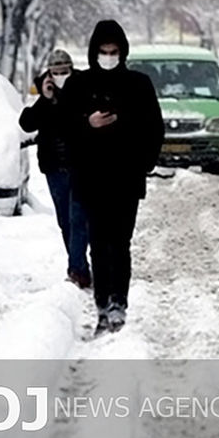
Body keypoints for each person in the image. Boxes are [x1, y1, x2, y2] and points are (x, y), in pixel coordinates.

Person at [60, 20, 164, 335]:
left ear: (122, 51)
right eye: (103, 51)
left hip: (125, 179)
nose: (108, 57)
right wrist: (87, 124)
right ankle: (102, 305)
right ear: (94, 52)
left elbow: (154, 128)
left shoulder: (138, 84)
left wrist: (143, 162)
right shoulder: (78, 86)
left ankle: (119, 302)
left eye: (113, 51)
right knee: (97, 243)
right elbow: (62, 127)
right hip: (90, 179)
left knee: (120, 243)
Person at [19, 49, 92, 289]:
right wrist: (45, 98)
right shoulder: (44, 94)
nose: (61, 76)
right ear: (49, 74)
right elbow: (27, 123)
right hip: (54, 168)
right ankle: (80, 264)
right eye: (56, 72)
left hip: (81, 165)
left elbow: (76, 118)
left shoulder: (83, 88)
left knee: (78, 218)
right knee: (66, 221)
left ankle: (76, 270)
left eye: (65, 72)